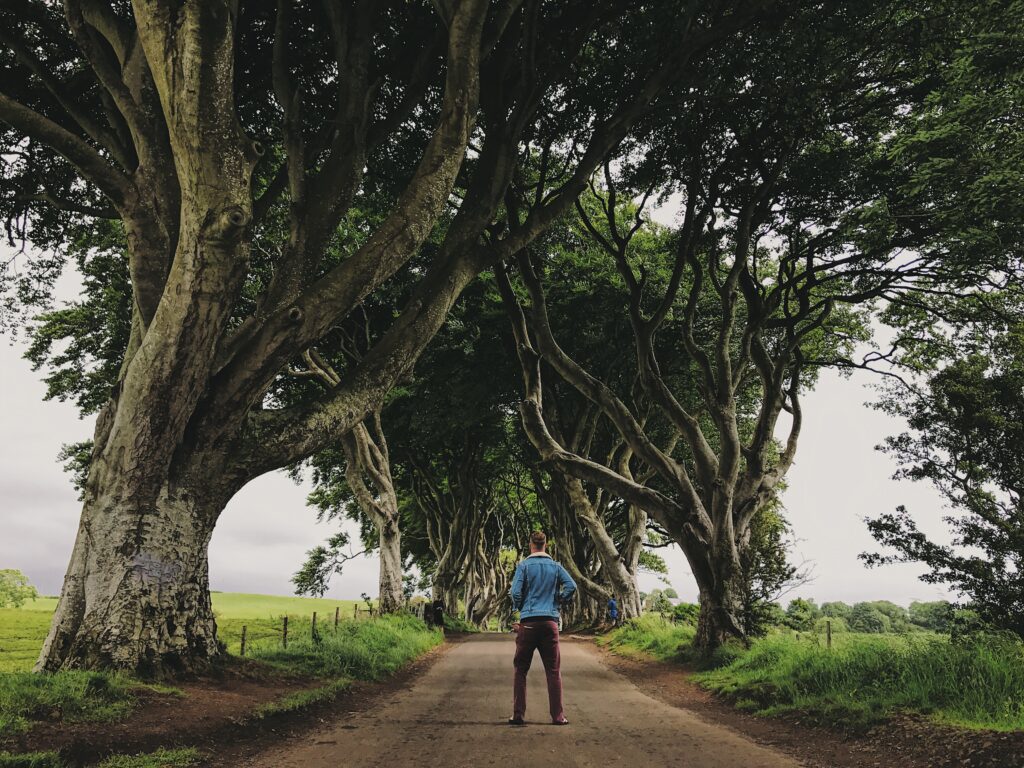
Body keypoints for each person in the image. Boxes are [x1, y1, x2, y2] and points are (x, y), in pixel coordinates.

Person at [508, 531, 576, 726]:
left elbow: (515, 592)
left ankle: (518, 715)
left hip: (528, 622)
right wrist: (559, 601)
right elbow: (571, 586)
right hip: (549, 622)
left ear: (531, 545)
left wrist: (521, 609)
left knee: (520, 669)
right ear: (546, 545)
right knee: (553, 670)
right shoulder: (556, 567)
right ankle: (558, 716)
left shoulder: (523, 566)